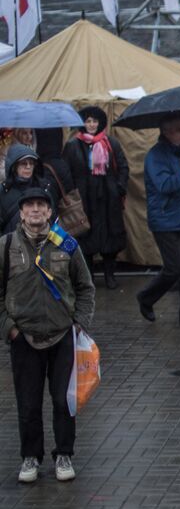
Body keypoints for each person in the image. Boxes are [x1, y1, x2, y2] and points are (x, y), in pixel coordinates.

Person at [0, 187, 96, 484]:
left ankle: (64, 454)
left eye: (41, 205)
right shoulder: (6, 246)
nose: (36, 211)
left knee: (62, 401)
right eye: (30, 206)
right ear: (21, 212)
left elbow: (85, 287)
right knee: (28, 403)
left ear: (50, 211)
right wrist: (9, 328)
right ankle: (30, 457)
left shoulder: (66, 244)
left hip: (61, 335)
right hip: (24, 337)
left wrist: (79, 323)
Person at [137, 115, 180, 327]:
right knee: (174, 268)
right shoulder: (155, 156)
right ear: (166, 132)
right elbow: (164, 185)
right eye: (178, 130)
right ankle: (146, 297)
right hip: (165, 219)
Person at [63, 107, 130, 290]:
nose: (91, 125)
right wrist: (73, 194)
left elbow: (123, 167)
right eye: (88, 121)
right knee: (85, 237)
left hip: (108, 198)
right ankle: (88, 277)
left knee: (110, 236)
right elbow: (67, 172)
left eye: (95, 121)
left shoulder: (111, 143)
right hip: (84, 199)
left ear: (100, 123)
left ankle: (110, 275)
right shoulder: (72, 145)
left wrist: (118, 188)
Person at [0, 145, 65, 234]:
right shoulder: (3, 191)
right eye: (24, 163)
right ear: (14, 166)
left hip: (41, 244)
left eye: (31, 163)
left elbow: (54, 221)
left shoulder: (44, 188)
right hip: (12, 245)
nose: (28, 166)